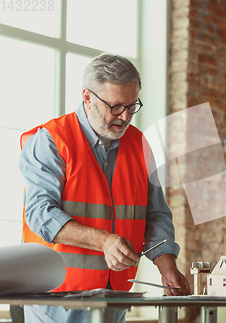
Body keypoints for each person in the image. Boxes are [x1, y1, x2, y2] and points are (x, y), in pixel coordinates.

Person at [19, 53, 191, 323]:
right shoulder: (51, 141)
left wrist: (166, 266)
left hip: (113, 300)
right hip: (54, 301)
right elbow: (41, 214)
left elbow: (156, 214)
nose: (125, 116)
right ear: (87, 97)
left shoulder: (139, 145)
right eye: (116, 107)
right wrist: (103, 241)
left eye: (132, 106)